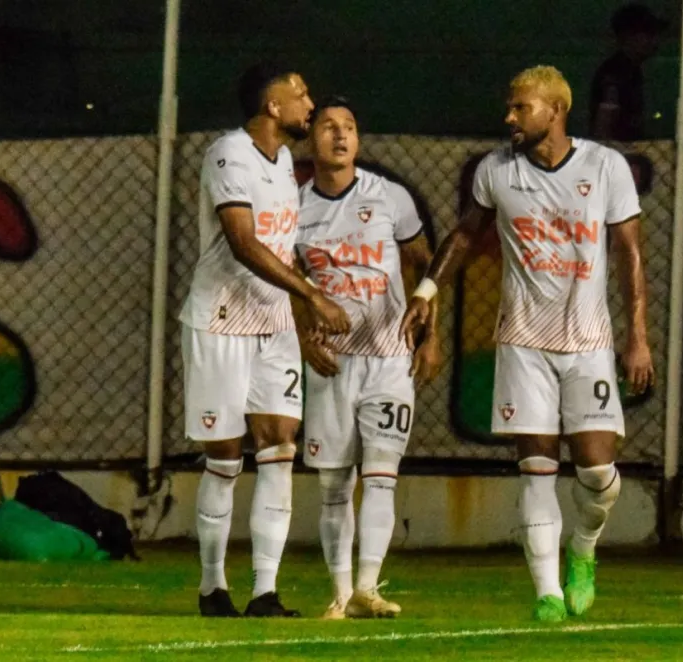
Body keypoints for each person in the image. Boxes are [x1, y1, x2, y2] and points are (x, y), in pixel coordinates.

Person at [401, 65, 654, 622]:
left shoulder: (604, 166)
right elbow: (467, 232)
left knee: (594, 473)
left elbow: (629, 254)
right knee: (536, 466)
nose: (509, 117)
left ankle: (583, 550)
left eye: (521, 107)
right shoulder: (497, 171)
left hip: (588, 341)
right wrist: (425, 289)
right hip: (522, 342)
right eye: (510, 107)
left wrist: (637, 336)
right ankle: (547, 594)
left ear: (556, 111)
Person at [178, 61, 351, 619]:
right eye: (299, 93)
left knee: (279, 450)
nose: (310, 101)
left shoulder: (284, 166)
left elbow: (282, 251)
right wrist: (314, 298)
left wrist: (299, 322)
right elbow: (244, 244)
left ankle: (265, 593)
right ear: (272, 107)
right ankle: (212, 589)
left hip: (272, 327)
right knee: (226, 458)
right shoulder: (229, 155)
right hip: (221, 321)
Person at [295, 95, 440, 619]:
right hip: (331, 363)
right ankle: (339, 595)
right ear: (312, 139)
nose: (340, 135)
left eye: (349, 127)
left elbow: (427, 265)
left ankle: (368, 587)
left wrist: (432, 335)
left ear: (357, 140)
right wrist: (302, 331)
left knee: (381, 474)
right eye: (329, 127)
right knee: (335, 483)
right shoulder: (294, 207)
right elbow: (285, 280)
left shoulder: (390, 197)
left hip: (387, 358)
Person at [588, 3, 667, 141]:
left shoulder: (631, 70)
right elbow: (603, 124)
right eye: (647, 34)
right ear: (628, 36)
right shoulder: (615, 73)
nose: (654, 40)